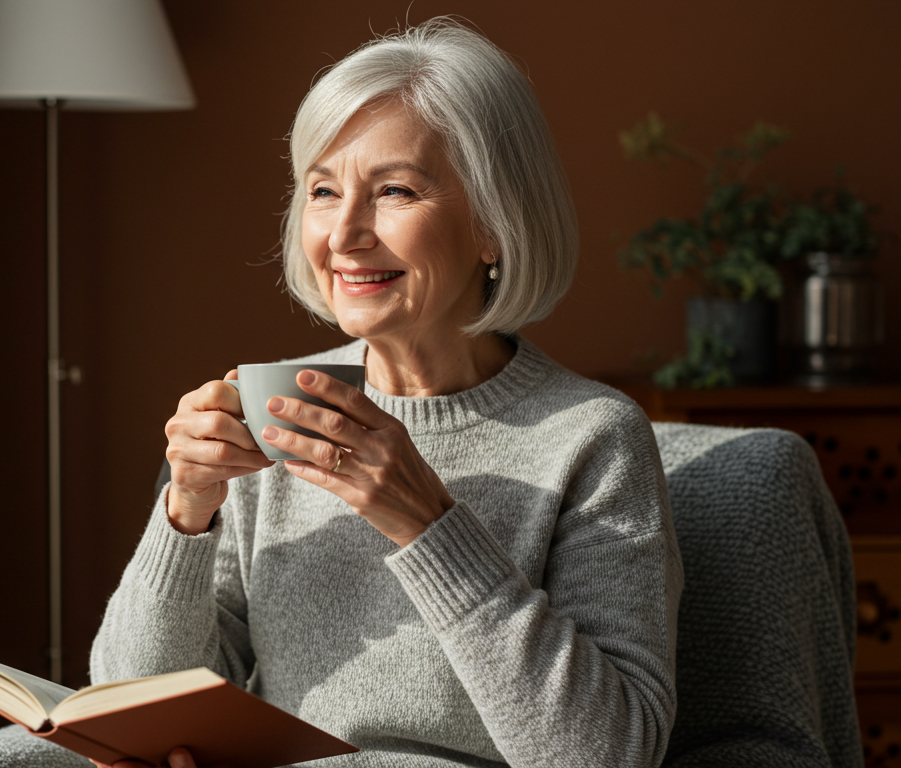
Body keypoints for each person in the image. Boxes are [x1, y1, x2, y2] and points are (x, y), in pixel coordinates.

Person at [88, 17, 682, 768]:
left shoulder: (592, 438)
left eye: (394, 190)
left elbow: (608, 754)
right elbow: (129, 709)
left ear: (494, 222)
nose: (343, 234)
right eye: (323, 191)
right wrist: (184, 514)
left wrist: (429, 526)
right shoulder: (275, 407)